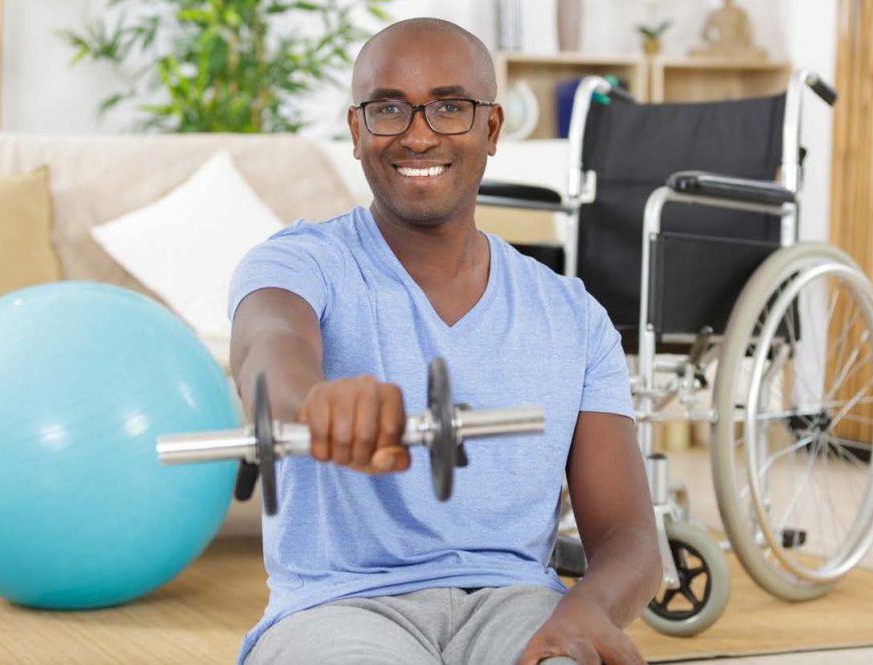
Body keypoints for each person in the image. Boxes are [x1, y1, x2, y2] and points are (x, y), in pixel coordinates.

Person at [227, 17, 660, 665]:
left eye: (450, 108)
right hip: (338, 608)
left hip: (518, 604)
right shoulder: (298, 262)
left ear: (490, 129)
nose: (420, 134)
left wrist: (587, 611)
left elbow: (628, 532)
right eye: (389, 108)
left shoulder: (573, 314)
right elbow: (268, 345)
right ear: (356, 131)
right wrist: (314, 401)